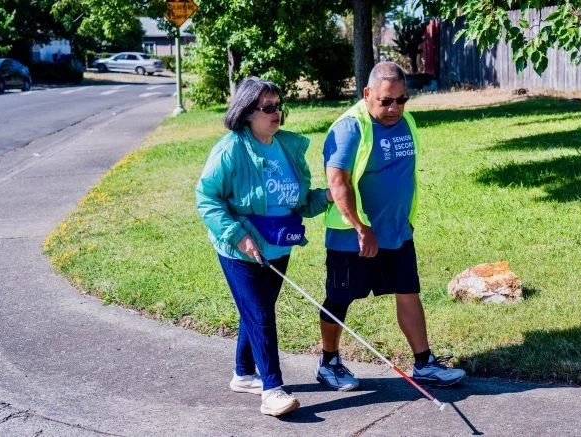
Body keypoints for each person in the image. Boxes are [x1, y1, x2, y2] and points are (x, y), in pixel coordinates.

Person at [316, 62, 466, 391]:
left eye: (401, 100)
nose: (394, 108)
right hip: (352, 237)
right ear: (367, 94)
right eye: (386, 101)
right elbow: (338, 184)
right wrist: (360, 227)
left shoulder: (406, 122)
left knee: (408, 292)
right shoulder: (349, 128)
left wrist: (406, 220)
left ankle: (424, 364)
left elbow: (404, 175)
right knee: (339, 298)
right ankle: (328, 363)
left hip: (397, 232)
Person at [196, 77, 330, 417]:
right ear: (246, 112)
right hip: (240, 250)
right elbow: (207, 199)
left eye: (278, 106)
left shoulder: (287, 146)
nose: (276, 113)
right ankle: (272, 390)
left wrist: (328, 196)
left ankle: (243, 374)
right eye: (267, 107)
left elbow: (299, 202)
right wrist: (238, 235)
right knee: (261, 314)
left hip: (279, 246)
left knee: (257, 309)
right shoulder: (231, 149)